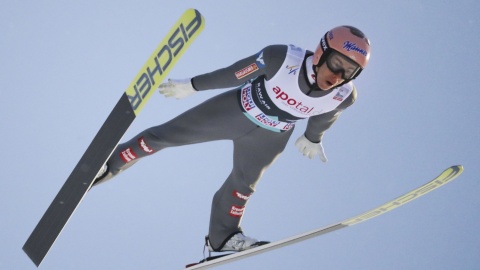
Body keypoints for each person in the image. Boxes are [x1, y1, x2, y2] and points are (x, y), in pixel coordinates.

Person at [93, 25, 371, 253]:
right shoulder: (282, 58)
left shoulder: (345, 96)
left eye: (349, 72)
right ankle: (110, 164)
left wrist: (313, 137)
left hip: (271, 138)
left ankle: (222, 239)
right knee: (163, 137)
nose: (338, 76)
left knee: (243, 188)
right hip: (234, 111)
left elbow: (326, 115)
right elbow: (234, 73)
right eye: (337, 63)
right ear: (322, 51)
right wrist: (193, 85)